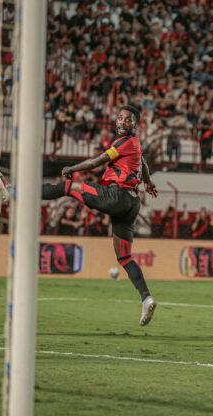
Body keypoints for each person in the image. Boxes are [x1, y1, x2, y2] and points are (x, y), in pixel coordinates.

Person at [30, 105, 159, 326]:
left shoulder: (124, 142)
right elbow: (144, 163)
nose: (121, 122)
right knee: (125, 256)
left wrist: (73, 167)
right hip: (132, 203)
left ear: (135, 124)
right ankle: (146, 298)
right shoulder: (135, 143)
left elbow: (97, 161)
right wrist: (146, 181)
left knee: (67, 186)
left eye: (127, 120)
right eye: (119, 118)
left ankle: (18, 192)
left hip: (115, 196)